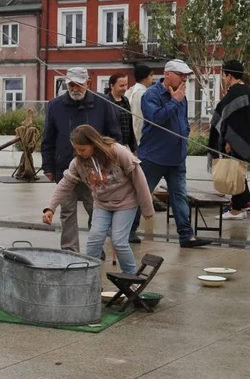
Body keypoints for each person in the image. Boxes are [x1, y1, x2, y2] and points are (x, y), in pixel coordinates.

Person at [43, 125, 155, 274]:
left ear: (93, 143)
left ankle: (131, 277)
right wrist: (50, 207)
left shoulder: (117, 151)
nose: (79, 153)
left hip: (125, 202)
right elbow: (65, 184)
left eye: (82, 149)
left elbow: (138, 178)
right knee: (94, 240)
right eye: (76, 149)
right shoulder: (78, 163)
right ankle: (89, 277)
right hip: (101, 203)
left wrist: (147, 208)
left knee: (119, 242)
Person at [41, 67, 122, 253]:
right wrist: (47, 166)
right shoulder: (55, 105)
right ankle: (70, 250)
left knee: (96, 210)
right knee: (67, 211)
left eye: (79, 84)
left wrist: (111, 163)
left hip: (96, 168)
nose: (75, 88)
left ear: (88, 83)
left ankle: (96, 248)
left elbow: (114, 136)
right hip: (65, 167)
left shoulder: (103, 103)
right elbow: (48, 138)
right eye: (71, 84)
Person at [132, 59, 211, 248]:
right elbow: (156, 118)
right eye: (181, 75)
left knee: (180, 195)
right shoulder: (151, 95)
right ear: (167, 74)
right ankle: (127, 230)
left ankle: (186, 235)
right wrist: (175, 101)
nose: (184, 79)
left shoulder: (181, 94)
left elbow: (182, 119)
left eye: (186, 75)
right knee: (141, 194)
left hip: (177, 156)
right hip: (153, 156)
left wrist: (185, 132)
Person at [208, 60, 250, 220]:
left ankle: (236, 209)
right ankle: (245, 202)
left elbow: (232, 121)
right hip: (246, 138)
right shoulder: (247, 91)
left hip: (235, 141)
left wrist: (229, 142)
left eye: (223, 74)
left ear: (229, 75)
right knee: (239, 170)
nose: (223, 78)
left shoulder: (236, 92)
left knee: (235, 171)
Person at [106, 72, 138, 152]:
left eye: (126, 85)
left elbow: (129, 125)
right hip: (112, 146)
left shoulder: (125, 100)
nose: (125, 88)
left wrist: (133, 148)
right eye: (121, 86)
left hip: (126, 145)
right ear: (112, 86)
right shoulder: (106, 102)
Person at [125, 64, 154, 146]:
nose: (153, 78)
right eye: (151, 75)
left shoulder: (128, 91)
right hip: (141, 138)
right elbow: (140, 119)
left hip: (129, 137)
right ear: (144, 77)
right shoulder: (145, 94)